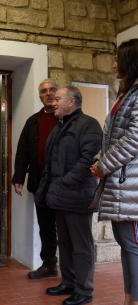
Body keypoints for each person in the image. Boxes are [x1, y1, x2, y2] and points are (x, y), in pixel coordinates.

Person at [35, 86, 102, 305]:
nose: (53, 101)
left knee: (81, 247)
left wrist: (65, 182)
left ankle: (84, 291)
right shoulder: (59, 127)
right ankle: (69, 283)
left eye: (58, 98)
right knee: (64, 243)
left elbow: (88, 161)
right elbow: (51, 163)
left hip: (78, 197)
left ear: (72, 102)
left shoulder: (89, 125)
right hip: (60, 196)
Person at [91, 39, 138, 305]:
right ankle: (128, 298)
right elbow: (110, 137)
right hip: (121, 182)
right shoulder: (126, 94)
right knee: (127, 246)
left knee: (133, 247)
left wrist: (104, 165)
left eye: (117, 59)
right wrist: (100, 160)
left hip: (130, 184)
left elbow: (133, 140)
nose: (112, 64)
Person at [11, 79, 59, 279]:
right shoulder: (33, 121)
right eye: (44, 91)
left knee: (66, 228)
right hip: (40, 183)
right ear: (40, 96)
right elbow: (22, 150)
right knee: (46, 227)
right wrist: (18, 177)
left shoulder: (66, 118)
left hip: (64, 184)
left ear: (58, 92)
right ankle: (49, 265)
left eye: (51, 90)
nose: (48, 94)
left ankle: (73, 271)